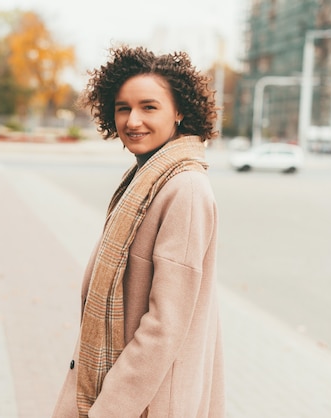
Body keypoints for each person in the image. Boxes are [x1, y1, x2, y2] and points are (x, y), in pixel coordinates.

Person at [52, 45, 225, 418]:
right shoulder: (146, 179)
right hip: (123, 389)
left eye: (149, 107)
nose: (133, 121)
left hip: (145, 401)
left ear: (179, 111)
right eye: (123, 108)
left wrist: (109, 410)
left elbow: (165, 325)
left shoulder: (186, 189)